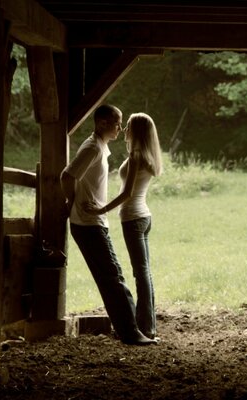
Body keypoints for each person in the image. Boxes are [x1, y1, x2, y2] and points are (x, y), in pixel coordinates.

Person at [60, 104, 157, 346]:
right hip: (88, 222)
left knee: (110, 277)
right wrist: (71, 202)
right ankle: (132, 332)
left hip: (96, 221)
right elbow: (67, 175)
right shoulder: (93, 147)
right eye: (116, 123)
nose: (121, 127)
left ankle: (129, 329)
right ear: (102, 123)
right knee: (113, 277)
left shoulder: (101, 147)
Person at [85, 112, 163, 340]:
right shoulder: (145, 154)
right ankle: (146, 324)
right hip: (143, 217)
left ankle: (146, 327)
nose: (124, 129)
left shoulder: (137, 155)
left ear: (136, 130)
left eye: (127, 125)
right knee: (143, 272)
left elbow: (127, 193)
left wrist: (100, 209)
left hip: (133, 219)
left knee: (141, 274)